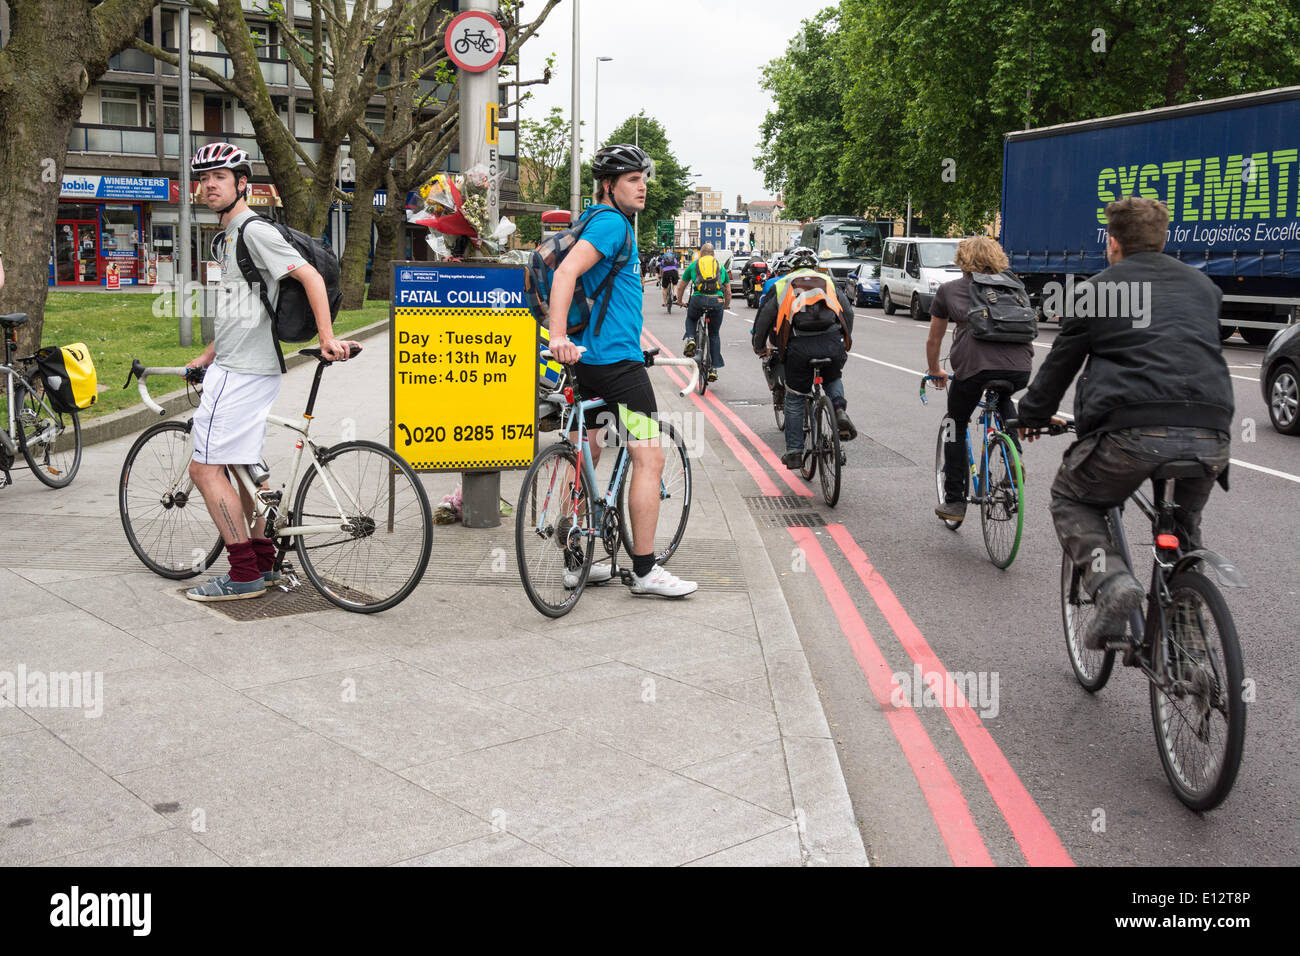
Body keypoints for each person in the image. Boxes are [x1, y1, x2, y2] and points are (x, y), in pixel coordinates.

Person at [1017, 196, 1234, 649]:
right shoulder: (1203, 288)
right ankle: (1189, 643)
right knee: (1182, 528)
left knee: (1071, 498)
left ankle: (1112, 582)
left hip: (1132, 434)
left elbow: (1060, 366)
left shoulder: (1096, 290)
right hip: (1211, 432)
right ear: (1164, 239)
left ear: (1112, 243)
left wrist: (1032, 416)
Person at [182, 142, 359, 601]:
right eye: (203, 179)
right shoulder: (229, 237)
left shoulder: (252, 230)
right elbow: (244, 309)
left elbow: (310, 278)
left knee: (204, 470)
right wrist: (208, 354)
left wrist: (326, 337)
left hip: (241, 373)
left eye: (219, 177)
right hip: (240, 364)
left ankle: (241, 575)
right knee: (242, 470)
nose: (208, 186)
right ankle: (261, 562)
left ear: (243, 184)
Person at [546, 143, 697, 598]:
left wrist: (567, 343)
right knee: (649, 457)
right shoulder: (613, 223)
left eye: (643, 178)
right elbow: (565, 274)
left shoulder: (593, 219)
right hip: (618, 368)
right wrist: (557, 336)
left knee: (585, 456)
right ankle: (646, 571)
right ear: (610, 185)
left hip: (588, 365)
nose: (643, 185)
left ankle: (580, 561)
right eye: (633, 179)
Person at [925, 236, 1035, 522]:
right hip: (1019, 368)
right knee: (1002, 397)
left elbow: (934, 340)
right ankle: (1013, 458)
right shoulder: (1015, 285)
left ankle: (954, 501)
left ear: (962, 261)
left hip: (976, 369)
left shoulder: (950, 290)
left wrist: (935, 369)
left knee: (955, 422)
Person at [752, 245, 857, 469]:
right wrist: (844, 340)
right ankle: (839, 410)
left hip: (799, 347)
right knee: (832, 378)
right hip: (831, 342)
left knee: (795, 396)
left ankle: (795, 451)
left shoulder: (782, 284)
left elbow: (763, 322)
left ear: (789, 266)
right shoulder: (827, 282)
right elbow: (847, 312)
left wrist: (759, 347)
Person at [676, 242, 730, 382]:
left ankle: (691, 339)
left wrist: (679, 301)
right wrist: (726, 305)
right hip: (716, 301)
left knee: (692, 318)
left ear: (700, 253)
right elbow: (728, 291)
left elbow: (682, 286)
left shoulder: (694, 265)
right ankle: (713, 369)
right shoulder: (720, 266)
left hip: (698, 299)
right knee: (714, 334)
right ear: (713, 254)